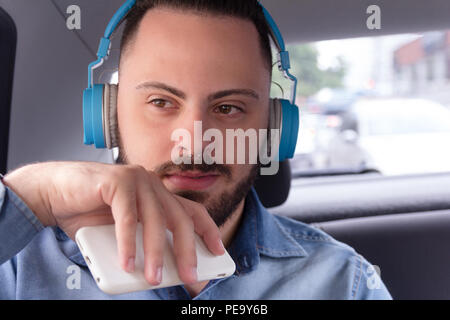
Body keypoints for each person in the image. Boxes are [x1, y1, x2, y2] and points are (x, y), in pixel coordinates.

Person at [0, 0, 391, 299]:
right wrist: (33, 193)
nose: (194, 139)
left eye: (228, 107)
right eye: (161, 102)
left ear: (273, 129)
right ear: (107, 117)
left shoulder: (345, 282)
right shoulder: (19, 267)